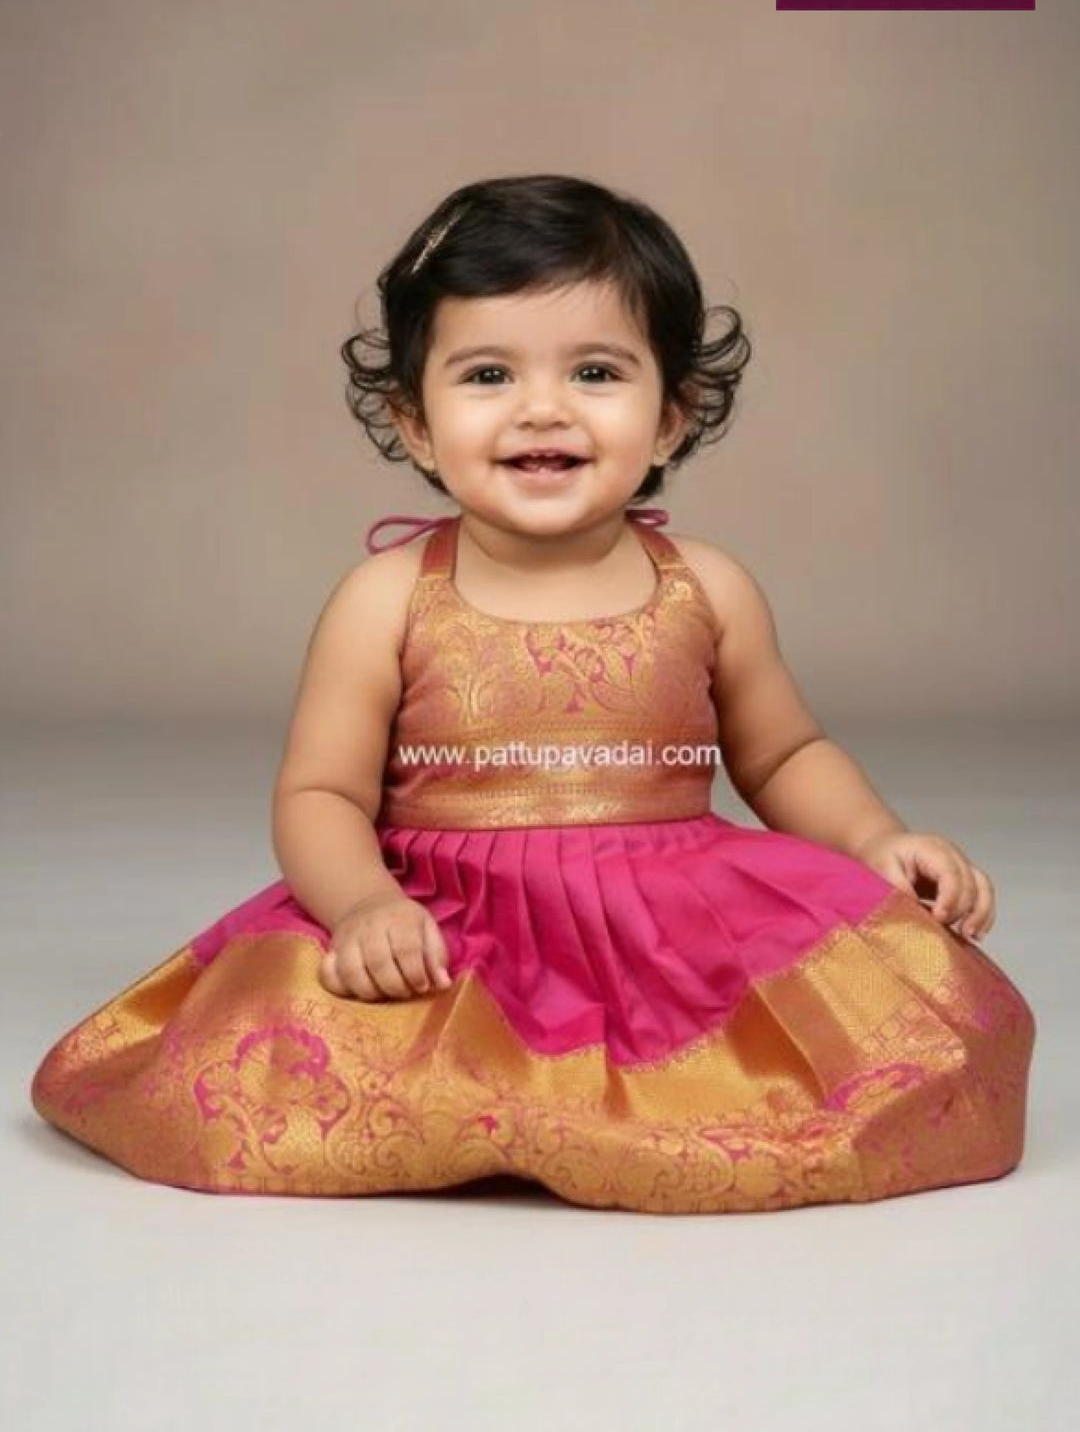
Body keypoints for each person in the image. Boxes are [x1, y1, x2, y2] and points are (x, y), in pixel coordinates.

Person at [30, 173, 1036, 1212]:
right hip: (451, 928)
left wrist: (876, 839)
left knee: (883, 1057)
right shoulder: (386, 601)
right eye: (488, 375)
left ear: (673, 418)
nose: (542, 408)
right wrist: (364, 904)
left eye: (596, 371)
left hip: (668, 932)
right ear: (415, 424)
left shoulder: (709, 588)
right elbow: (321, 795)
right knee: (267, 1077)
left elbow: (782, 755)